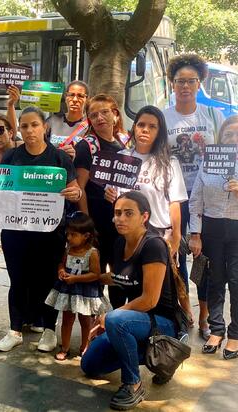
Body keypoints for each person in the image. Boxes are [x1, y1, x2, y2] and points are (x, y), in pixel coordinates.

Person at [81, 191, 187, 410]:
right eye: (117, 213)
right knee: (90, 365)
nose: (121, 218)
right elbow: (120, 278)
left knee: (116, 320)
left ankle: (133, 384)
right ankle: (161, 362)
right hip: (137, 321)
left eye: (129, 213)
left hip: (162, 323)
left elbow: (149, 300)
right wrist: (84, 279)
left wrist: (111, 317)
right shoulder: (120, 243)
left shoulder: (153, 245)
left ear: (144, 217)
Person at [0, 106, 82, 353]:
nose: (30, 130)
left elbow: (75, 190)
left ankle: (49, 330)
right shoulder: (11, 157)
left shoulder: (60, 159)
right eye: (24, 126)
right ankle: (14, 329)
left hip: (50, 234)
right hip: (16, 233)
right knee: (18, 280)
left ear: (45, 127)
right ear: (19, 129)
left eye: (34, 125)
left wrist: (76, 192)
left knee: (48, 280)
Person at [105, 106, 189, 315]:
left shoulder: (169, 162)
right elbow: (113, 193)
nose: (145, 130)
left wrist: (176, 238)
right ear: (134, 127)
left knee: (157, 289)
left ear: (159, 132)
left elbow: (175, 202)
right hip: (125, 232)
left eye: (152, 126)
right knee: (119, 281)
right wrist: (111, 197)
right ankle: (117, 320)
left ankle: (168, 330)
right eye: (141, 124)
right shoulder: (121, 157)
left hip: (157, 234)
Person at [164, 53, 225, 340]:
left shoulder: (214, 116)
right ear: (172, 84)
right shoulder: (163, 117)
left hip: (206, 199)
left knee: (203, 258)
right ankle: (182, 310)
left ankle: (204, 316)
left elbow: (228, 154)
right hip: (174, 197)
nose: (185, 86)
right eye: (180, 82)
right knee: (174, 256)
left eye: (191, 81)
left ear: (199, 84)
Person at [189, 115, 238, 359]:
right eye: (229, 134)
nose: (233, 139)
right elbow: (196, 198)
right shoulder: (209, 161)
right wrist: (195, 233)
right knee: (215, 280)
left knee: (237, 282)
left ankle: (236, 334)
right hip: (212, 228)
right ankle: (216, 329)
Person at [74, 94, 129, 308]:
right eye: (93, 115)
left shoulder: (125, 142)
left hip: (122, 223)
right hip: (97, 222)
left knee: (118, 274)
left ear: (115, 114)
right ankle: (93, 324)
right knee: (95, 273)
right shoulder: (87, 147)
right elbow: (80, 188)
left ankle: (117, 316)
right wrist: (88, 223)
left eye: (104, 112)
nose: (100, 118)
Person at [45, 212, 110, 360]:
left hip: (85, 291)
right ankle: (65, 347)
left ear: (86, 235)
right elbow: (62, 262)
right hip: (68, 290)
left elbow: (95, 274)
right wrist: (61, 270)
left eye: (73, 235)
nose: (69, 238)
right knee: (66, 319)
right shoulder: (68, 249)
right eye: (68, 234)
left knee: (85, 320)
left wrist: (76, 278)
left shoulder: (92, 253)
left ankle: (85, 346)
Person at [47, 80, 90, 160]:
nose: (75, 99)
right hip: (54, 169)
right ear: (66, 97)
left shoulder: (90, 125)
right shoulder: (52, 121)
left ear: (86, 99)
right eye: (71, 95)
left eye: (80, 96)